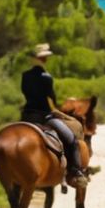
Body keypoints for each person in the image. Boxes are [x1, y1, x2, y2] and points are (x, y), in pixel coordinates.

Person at [20, 43, 87, 186]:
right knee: (72, 141)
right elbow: (51, 97)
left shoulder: (25, 75)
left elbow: (25, 92)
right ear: (44, 60)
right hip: (44, 116)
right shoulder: (47, 78)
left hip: (27, 115)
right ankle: (76, 173)